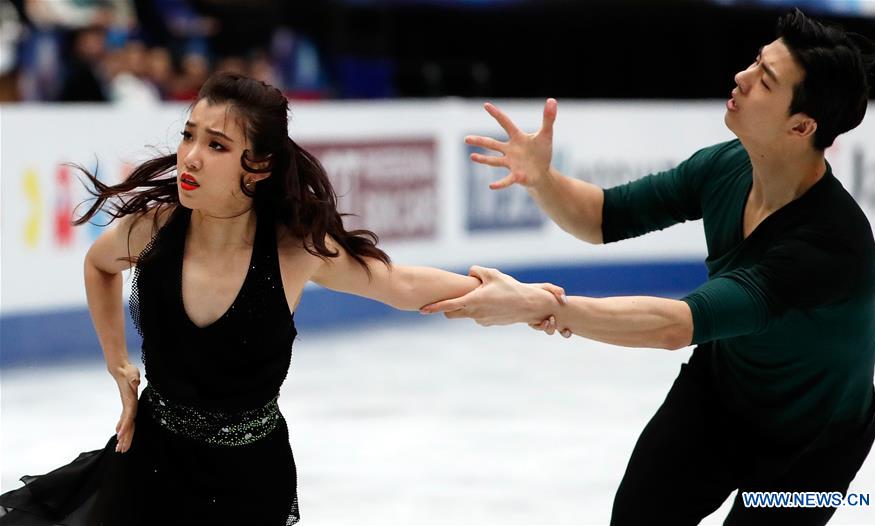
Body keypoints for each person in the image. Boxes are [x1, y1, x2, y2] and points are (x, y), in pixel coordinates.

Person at [0, 72, 565, 525]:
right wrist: (117, 363)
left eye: (216, 144)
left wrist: (513, 298)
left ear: (260, 165)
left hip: (249, 479)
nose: (190, 157)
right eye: (188, 134)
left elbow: (402, 285)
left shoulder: (294, 252)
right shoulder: (155, 228)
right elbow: (98, 264)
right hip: (149, 465)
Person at [422, 9, 875, 525]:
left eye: (765, 81)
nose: (742, 77)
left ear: (802, 125)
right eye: (755, 62)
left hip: (814, 449)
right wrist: (542, 179)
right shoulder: (727, 165)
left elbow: (675, 326)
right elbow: (603, 216)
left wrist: (544, 305)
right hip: (722, 397)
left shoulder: (826, 247)